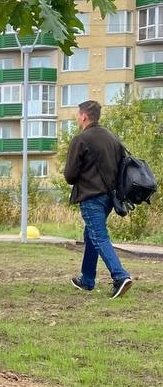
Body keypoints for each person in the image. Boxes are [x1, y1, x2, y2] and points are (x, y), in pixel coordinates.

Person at [64, 100, 133, 298]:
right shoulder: (113, 138)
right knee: (91, 235)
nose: (78, 118)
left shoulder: (81, 139)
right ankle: (87, 280)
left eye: (78, 115)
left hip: (91, 196)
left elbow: (69, 175)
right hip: (110, 198)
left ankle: (120, 276)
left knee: (98, 236)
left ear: (84, 116)